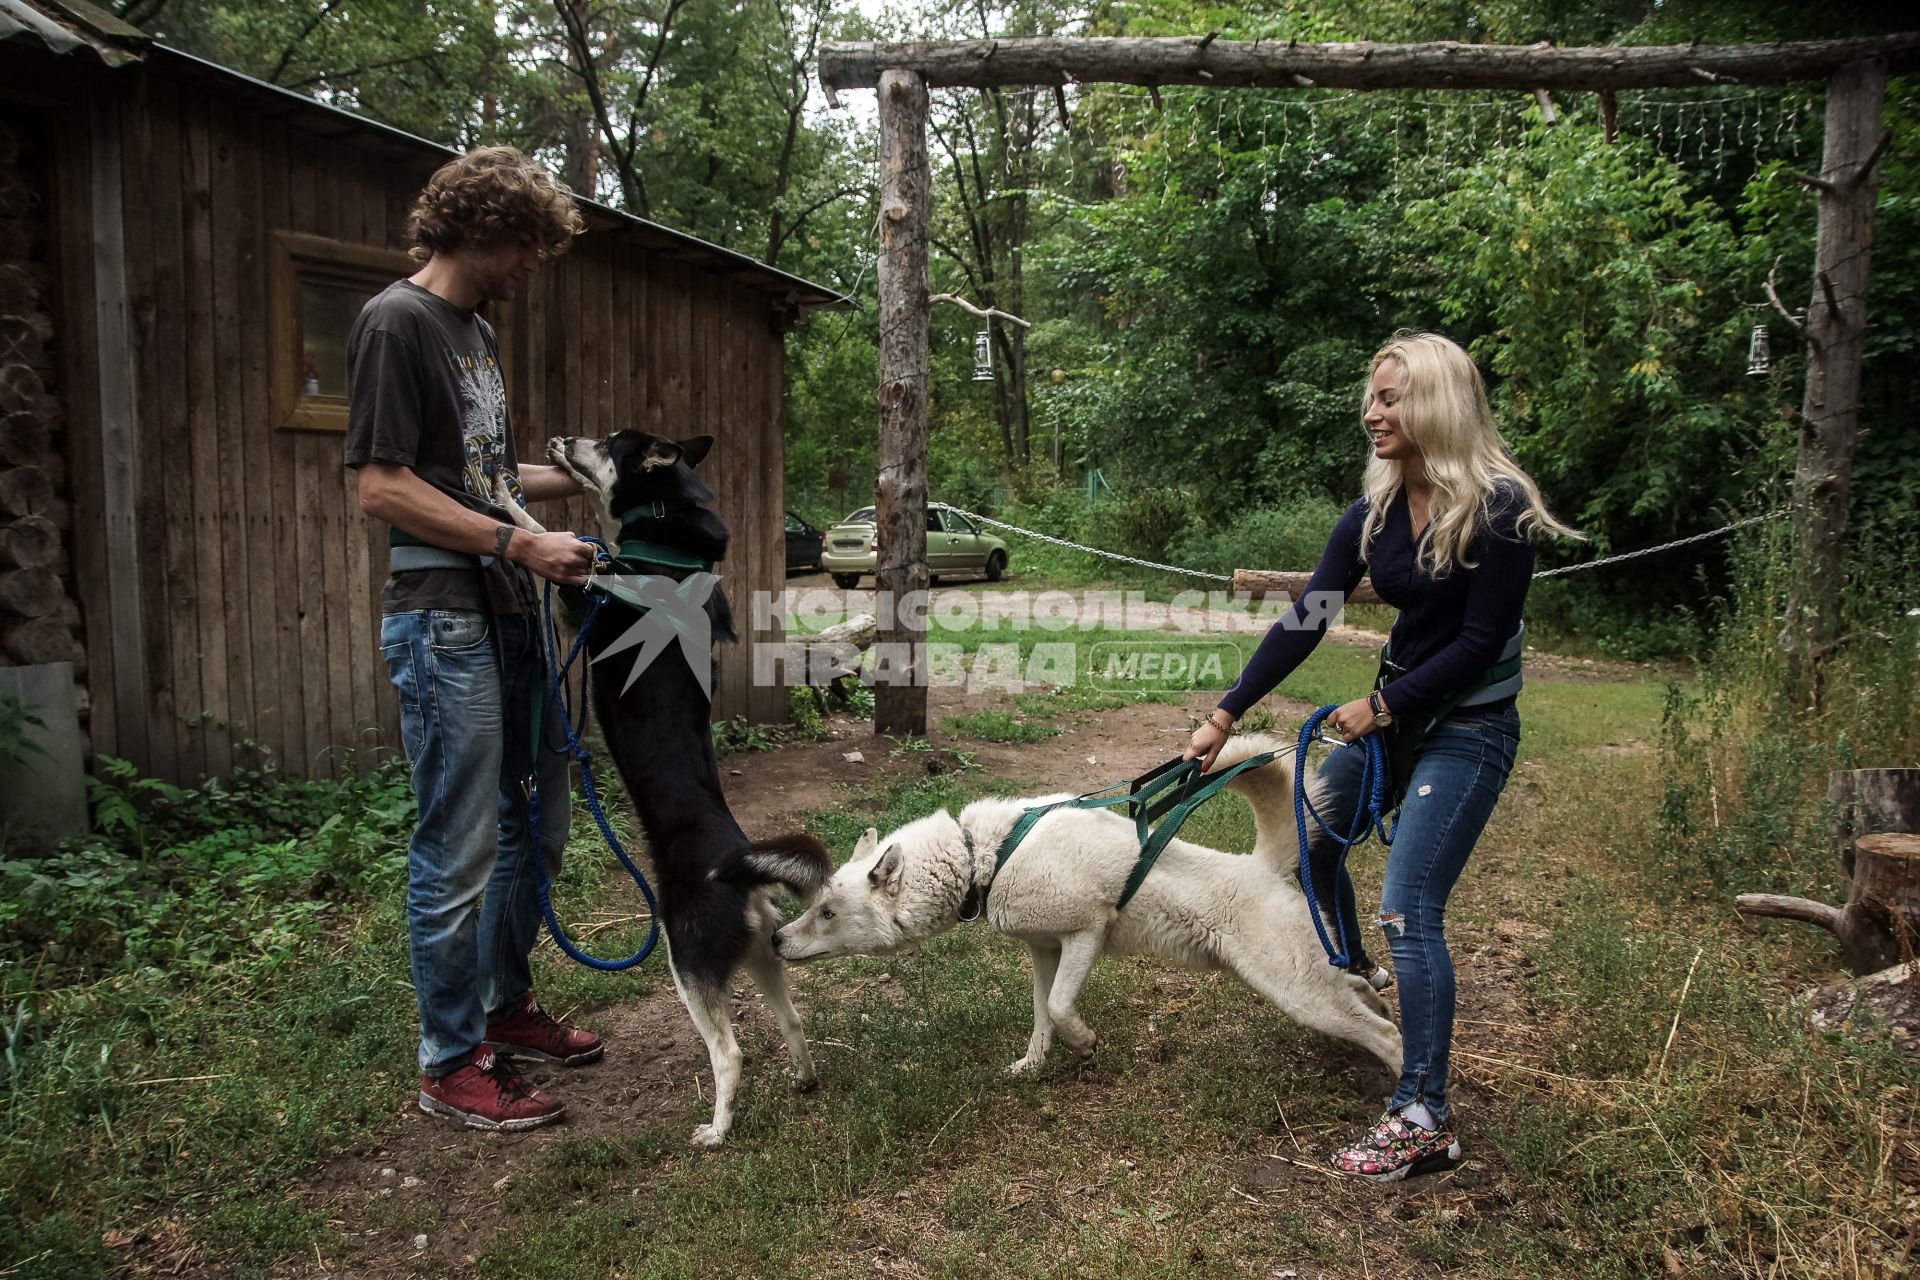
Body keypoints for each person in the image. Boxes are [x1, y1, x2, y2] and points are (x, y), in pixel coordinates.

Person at [1185, 330, 1577, 1181]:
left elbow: (1480, 642)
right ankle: (1355, 968)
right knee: (1311, 845)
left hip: (1466, 728)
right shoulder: (1372, 515)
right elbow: (1306, 618)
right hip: (1392, 719)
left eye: (1390, 397)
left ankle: (1425, 1113)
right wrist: (1226, 712)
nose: (1372, 412)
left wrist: (1383, 703)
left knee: (1412, 908)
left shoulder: (1499, 507)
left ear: (1436, 400)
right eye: (1371, 398)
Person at [345, 147, 601, 1132]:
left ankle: (505, 1006)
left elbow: (483, 474)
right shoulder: (395, 322)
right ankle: (450, 1061)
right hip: (442, 616)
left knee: (534, 828)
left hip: (505, 607)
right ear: (483, 226)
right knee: (456, 847)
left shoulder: (475, 333)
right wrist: (518, 541)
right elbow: (383, 484)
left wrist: (593, 472)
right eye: (528, 241)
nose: (534, 261)